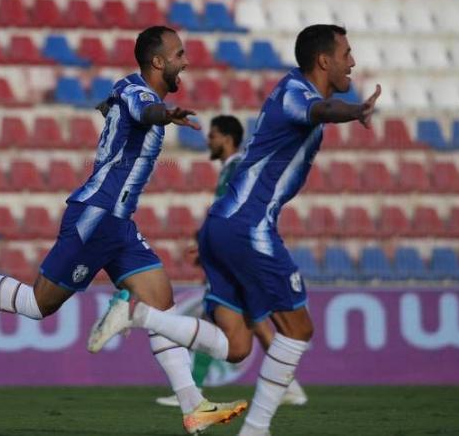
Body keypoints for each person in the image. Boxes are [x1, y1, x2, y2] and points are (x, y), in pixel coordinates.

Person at [0, 26, 247, 435]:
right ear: (158, 62)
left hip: (118, 223)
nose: (185, 62)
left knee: (160, 304)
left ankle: (193, 406)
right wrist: (164, 115)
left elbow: (122, 107)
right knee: (38, 304)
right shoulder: (141, 95)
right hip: (96, 218)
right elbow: (142, 110)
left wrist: (119, 109)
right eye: (179, 55)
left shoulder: (129, 90)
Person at [88, 24, 381, 436]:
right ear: (323, 60)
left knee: (238, 346)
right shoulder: (298, 93)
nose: (352, 61)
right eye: (346, 53)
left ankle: (139, 313)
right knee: (298, 330)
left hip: (224, 227)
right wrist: (355, 111)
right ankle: (256, 430)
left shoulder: (293, 90)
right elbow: (321, 112)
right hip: (248, 226)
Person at [155, 116, 307, 408]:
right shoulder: (231, 169)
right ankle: (290, 385)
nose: (208, 141)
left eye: (212, 135)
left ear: (226, 138)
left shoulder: (237, 169)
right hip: (236, 256)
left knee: (211, 315)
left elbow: (235, 214)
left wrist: (213, 248)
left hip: (236, 259)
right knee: (256, 324)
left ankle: (192, 391)